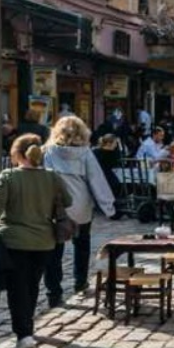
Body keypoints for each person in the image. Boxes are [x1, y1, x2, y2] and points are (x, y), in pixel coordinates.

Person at [0, 134, 72, 348]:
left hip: (14, 241)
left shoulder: (9, 176)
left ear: (18, 154)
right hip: (44, 241)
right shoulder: (51, 177)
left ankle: (23, 335)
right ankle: (27, 329)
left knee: (17, 289)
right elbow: (68, 200)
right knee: (31, 285)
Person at [43, 115, 117, 306]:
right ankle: (80, 282)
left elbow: (42, 178)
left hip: (56, 207)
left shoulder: (48, 152)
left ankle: (54, 292)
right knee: (82, 244)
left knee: (54, 250)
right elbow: (96, 180)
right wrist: (108, 206)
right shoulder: (85, 153)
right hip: (81, 206)